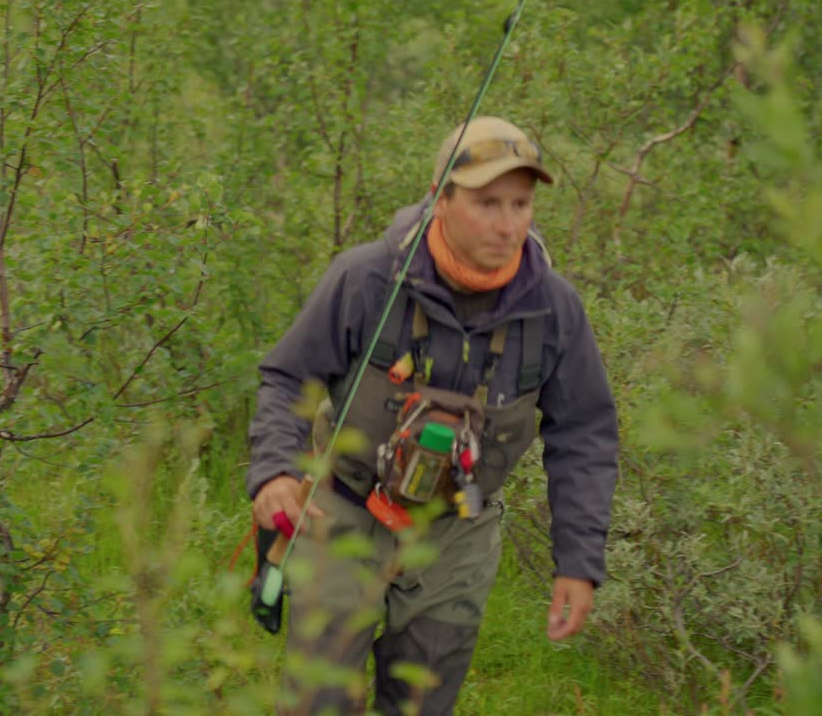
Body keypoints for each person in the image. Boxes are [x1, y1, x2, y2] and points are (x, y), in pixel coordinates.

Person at [245, 116, 619, 715]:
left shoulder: (555, 310)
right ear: (440, 198)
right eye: (487, 202)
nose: (507, 223)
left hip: (458, 531)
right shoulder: (367, 279)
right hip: (344, 507)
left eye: (521, 203)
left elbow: (585, 435)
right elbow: (287, 376)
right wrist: (275, 473)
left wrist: (579, 562)